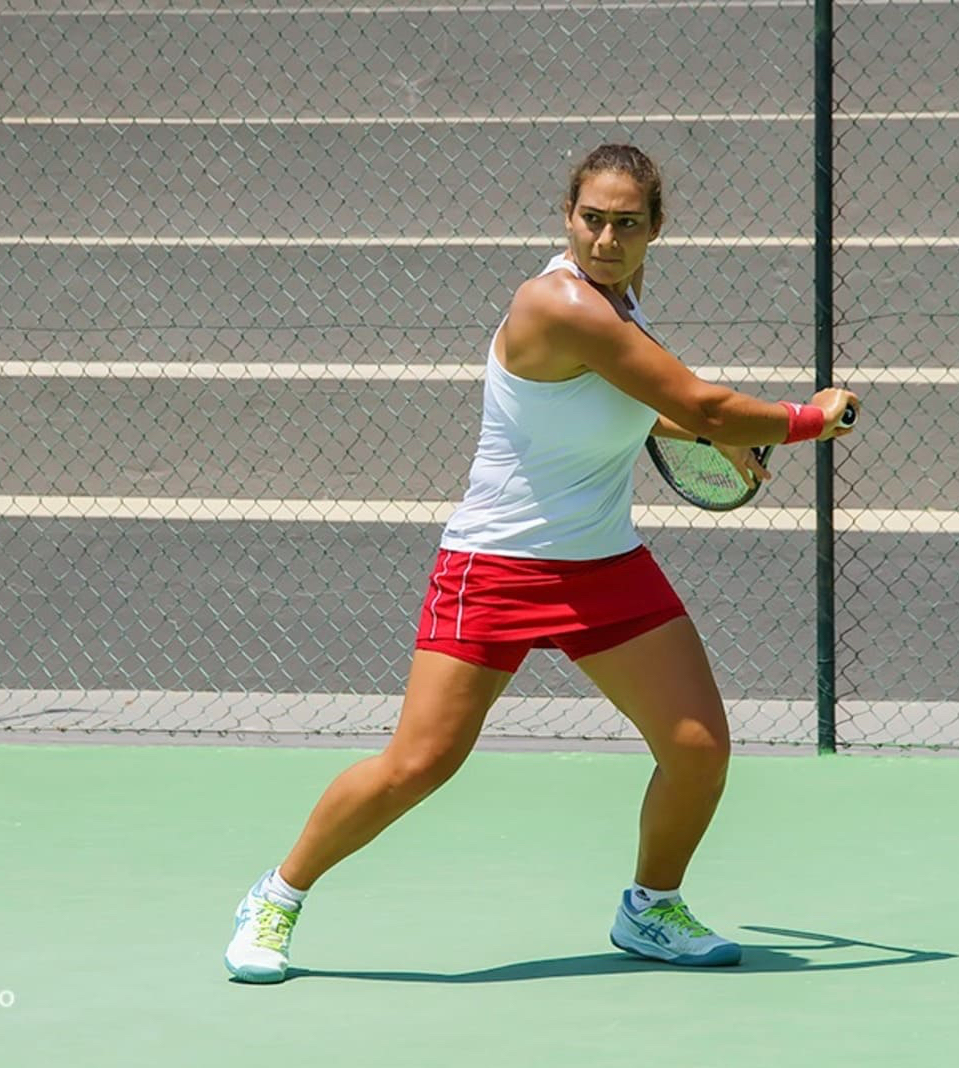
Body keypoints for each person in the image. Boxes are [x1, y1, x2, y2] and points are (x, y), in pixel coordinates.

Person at [223, 144, 860, 981]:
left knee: (698, 746)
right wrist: (811, 418)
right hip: (497, 566)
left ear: (654, 229)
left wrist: (701, 432)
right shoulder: (555, 302)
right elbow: (701, 403)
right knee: (419, 763)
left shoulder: (620, 302)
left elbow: (629, 402)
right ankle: (277, 895)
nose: (606, 238)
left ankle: (651, 908)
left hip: (606, 567)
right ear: (568, 217)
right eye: (592, 219)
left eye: (626, 223)